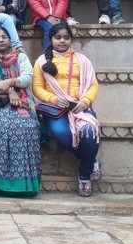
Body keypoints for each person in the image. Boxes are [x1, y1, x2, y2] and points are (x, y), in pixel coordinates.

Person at [32, 23, 101, 197]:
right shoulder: (42, 61)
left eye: (66, 38)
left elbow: (93, 84)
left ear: (71, 39)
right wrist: (53, 98)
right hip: (56, 109)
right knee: (60, 133)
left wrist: (85, 101)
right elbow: (37, 88)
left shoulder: (82, 60)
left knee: (89, 132)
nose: (62, 41)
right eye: (58, 37)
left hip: (79, 107)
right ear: (51, 39)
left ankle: (84, 176)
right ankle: (91, 161)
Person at [0, 26, 41, 196]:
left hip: (22, 102)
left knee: (26, 127)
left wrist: (11, 82)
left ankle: (24, 186)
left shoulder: (20, 57)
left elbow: (28, 77)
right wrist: (9, 90)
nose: (0, 40)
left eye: (4, 37)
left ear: (9, 40)